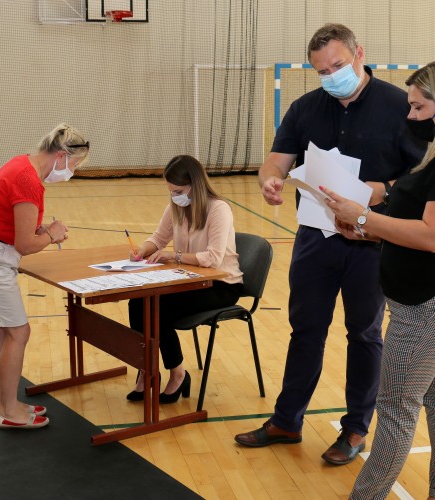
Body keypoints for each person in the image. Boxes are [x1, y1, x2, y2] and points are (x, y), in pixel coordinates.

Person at [234, 23, 426, 465]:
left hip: (373, 241)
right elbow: (277, 160)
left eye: (337, 66)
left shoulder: (402, 107)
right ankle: (287, 420)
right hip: (315, 238)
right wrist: (270, 180)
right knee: (305, 330)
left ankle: (356, 427)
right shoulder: (304, 108)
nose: (330, 75)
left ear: (360, 54)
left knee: (363, 333)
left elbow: (421, 177)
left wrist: (382, 191)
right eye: (321, 70)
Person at [319, 61, 435, 499]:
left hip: (422, 310)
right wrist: (366, 228)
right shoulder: (429, 160)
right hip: (418, 303)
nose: (411, 116)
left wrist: (366, 216)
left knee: (394, 413)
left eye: (420, 107)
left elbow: (430, 237)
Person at [0, 123, 90, 429]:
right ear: (60, 155)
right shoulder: (29, 181)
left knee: (4, 332)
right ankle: (8, 412)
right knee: (18, 332)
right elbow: (25, 245)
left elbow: (17, 224)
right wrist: (53, 234)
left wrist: (40, 230)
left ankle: (7, 403)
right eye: (73, 164)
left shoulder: (21, 163)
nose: (72, 171)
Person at [126, 154, 243, 404]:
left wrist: (174, 256)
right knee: (137, 302)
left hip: (221, 284)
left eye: (178, 190)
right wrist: (142, 250)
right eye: (170, 191)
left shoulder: (218, 209)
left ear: (195, 185)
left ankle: (177, 374)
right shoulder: (175, 206)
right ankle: (147, 370)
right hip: (188, 279)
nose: (174, 196)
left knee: (159, 308)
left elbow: (213, 257)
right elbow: (158, 238)